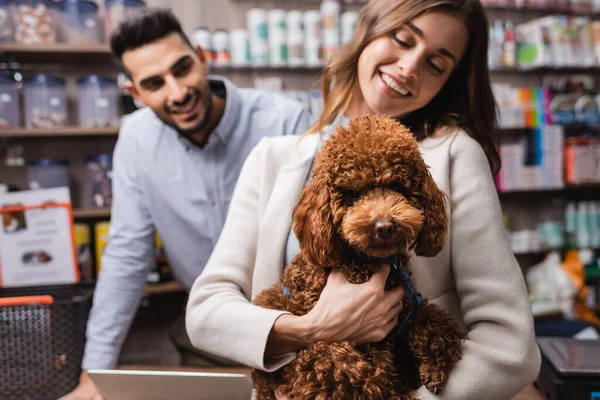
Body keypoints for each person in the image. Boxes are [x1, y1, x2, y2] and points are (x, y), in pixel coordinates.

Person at [185, 0, 542, 399]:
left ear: (449, 81)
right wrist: (313, 329)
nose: (409, 67)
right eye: (403, 39)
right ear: (368, 30)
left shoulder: (454, 156)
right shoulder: (274, 158)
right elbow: (205, 314)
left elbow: (511, 346)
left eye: (436, 65)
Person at [60, 8, 310, 400]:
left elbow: (312, 241)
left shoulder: (284, 120)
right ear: (137, 95)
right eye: (155, 83)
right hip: (209, 331)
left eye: (182, 69)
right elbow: (127, 254)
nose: (177, 93)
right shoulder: (136, 140)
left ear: (201, 56)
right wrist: (94, 373)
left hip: (293, 324)